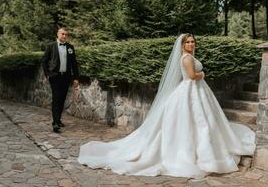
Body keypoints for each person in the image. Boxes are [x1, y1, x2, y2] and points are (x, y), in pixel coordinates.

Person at [77, 34, 256, 179]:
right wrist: (202, 74)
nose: (191, 44)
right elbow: (193, 76)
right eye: (188, 42)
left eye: (193, 41)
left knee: (202, 121)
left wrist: (199, 75)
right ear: (183, 45)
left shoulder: (189, 56)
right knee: (195, 121)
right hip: (191, 89)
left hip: (195, 91)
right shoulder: (186, 58)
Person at [43, 27, 79, 133]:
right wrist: (47, 74)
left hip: (66, 77)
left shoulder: (70, 47)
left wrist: (76, 78)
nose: (64, 36)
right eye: (62, 34)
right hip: (55, 77)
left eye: (66, 34)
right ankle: (55, 123)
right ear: (57, 34)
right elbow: (44, 61)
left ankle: (58, 120)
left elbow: (74, 64)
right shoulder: (51, 46)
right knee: (56, 98)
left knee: (62, 99)